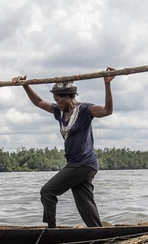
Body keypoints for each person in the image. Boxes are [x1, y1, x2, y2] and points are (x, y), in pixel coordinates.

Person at [17, 68, 115, 228]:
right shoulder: (60, 111)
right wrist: (25, 85)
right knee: (85, 204)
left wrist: (107, 84)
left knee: (47, 192)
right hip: (77, 165)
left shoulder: (85, 110)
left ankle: (52, 231)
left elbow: (107, 110)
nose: (56, 103)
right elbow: (38, 102)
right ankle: (98, 233)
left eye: (58, 99)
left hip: (83, 164)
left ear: (68, 97)